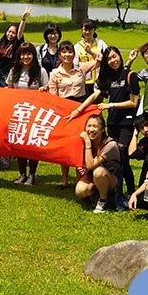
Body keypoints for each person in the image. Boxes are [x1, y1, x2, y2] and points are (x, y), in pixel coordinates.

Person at [69, 46, 139, 210]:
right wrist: (79, 109)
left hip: (127, 124)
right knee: (112, 159)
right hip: (113, 124)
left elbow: (133, 102)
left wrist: (111, 105)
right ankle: (108, 190)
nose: (113, 61)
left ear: (120, 57)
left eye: (115, 57)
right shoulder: (109, 77)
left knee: (124, 158)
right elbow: (95, 95)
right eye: (109, 59)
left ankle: (129, 192)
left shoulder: (130, 75)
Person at [47, 40, 99, 188]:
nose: (67, 54)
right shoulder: (55, 73)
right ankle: (64, 180)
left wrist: (90, 51)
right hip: (64, 110)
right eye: (64, 52)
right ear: (59, 54)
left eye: (70, 51)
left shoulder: (81, 68)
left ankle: (80, 178)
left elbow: (100, 60)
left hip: (81, 108)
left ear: (74, 54)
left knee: (80, 144)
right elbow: (53, 97)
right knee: (65, 145)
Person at [8, 42, 49, 186]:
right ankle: (22, 174)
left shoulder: (40, 72)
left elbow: (47, 90)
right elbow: (9, 90)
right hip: (19, 113)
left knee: (32, 144)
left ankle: (32, 174)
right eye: (23, 54)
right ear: (19, 56)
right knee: (19, 144)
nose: (26, 57)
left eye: (29, 53)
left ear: (34, 55)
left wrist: (43, 90)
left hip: (34, 114)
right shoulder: (14, 71)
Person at [76, 114, 120, 214]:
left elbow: (91, 165)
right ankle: (95, 195)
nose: (91, 129)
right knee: (80, 190)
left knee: (98, 171)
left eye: (95, 126)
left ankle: (103, 201)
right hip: (93, 175)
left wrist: (87, 142)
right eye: (89, 126)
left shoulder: (110, 145)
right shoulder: (84, 141)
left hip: (111, 179)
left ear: (102, 129)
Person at [73, 18, 106, 96]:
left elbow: (106, 59)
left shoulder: (100, 44)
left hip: (98, 81)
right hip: (83, 82)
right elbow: (75, 65)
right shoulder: (77, 46)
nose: (87, 32)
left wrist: (90, 52)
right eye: (85, 29)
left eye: (90, 29)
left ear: (94, 30)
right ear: (81, 30)